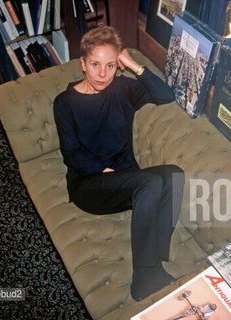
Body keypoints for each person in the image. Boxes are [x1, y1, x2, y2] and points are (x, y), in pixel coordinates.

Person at [53, 26, 185, 301]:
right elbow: (71, 153)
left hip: (128, 183)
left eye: (111, 65)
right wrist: (103, 170)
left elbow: (165, 95)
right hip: (89, 186)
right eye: (95, 64)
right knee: (149, 182)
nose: (103, 74)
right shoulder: (65, 102)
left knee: (174, 174)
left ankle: (156, 259)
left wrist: (135, 66)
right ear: (83, 64)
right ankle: (143, 277)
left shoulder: (123, 89)